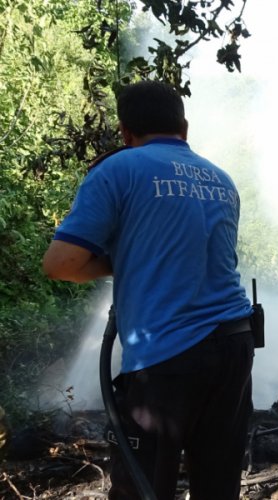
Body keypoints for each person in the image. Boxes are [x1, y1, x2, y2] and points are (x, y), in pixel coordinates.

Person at [42, 80, 254, 500]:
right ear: (185, 127)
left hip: (166, 358)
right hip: (235, 346)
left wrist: (118, 261)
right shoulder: (221, 180)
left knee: (140, 490)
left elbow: (59, 264)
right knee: (218, 488)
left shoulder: (119, 170)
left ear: (125, 132)